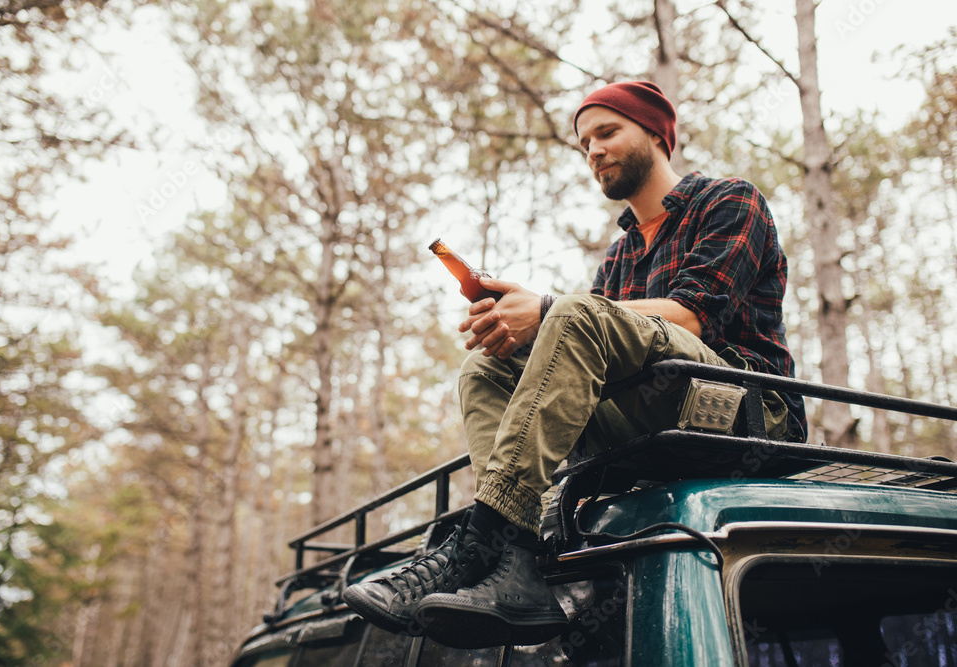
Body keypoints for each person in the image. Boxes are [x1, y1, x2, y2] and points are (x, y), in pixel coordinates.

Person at [343, 80, 807, 649]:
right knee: (484, 369)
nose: (594, 150)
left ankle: (477, 541)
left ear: (658, 135)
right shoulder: (618, 257)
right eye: (584, 142)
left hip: (746, 414)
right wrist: (523, 335)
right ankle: (516, 563)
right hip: (653, 416)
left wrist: (545, 311)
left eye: (608, 132)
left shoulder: (729, 200)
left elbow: (690, 317)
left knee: (571, 313)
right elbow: (587, 341)